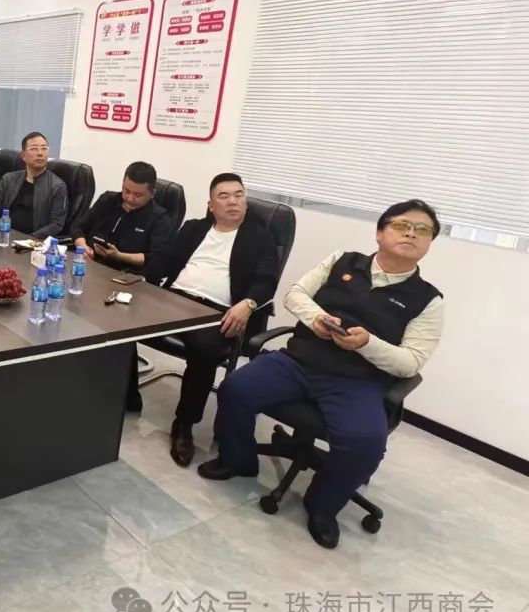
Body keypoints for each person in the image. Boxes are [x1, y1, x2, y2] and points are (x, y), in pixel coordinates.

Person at [198, 200, 445, 550]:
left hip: (358, 382)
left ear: (430, 243)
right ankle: (238, 461)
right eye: (402, 225)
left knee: (366, 444)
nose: (411, 234)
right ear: (380, 232)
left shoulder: (429, 301)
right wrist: (316, 319)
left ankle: (323, 506)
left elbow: (410, 362)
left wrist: (366, 343)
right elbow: (295, 294)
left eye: (422, 230)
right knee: (235, 388)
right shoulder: (342, 261)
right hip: (299, 361)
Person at [151, 173, 279, 467]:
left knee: (206, 350)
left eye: (238, 195)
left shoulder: (260, 237)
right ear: (211, 205)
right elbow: (164, 261)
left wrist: (247, 304)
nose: (233, 201)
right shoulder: (194, 228)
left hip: (216, 310)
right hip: (174, 298)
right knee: (122, 317)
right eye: (224, 196)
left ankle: (184, 424)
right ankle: (126, 394)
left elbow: (266, 281)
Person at [72, 161, 174, 276]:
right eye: (127, 191)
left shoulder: (160, 219)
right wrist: (82, 246)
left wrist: (119, 256)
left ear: (152, 194)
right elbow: (78, 227)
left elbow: (156, 258)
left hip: (124, 274)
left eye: (138, 195)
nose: (130, 198)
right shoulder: (107, 200)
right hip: (89, 263)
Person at [0, 131, 68, 239]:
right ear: (23, 155)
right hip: (4, 236)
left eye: (44, 148)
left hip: (33, 242)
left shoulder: (57, 186)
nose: (40, 153)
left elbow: (56, 224)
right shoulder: (9, 179)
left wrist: (29, 239)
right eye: (34, 148)